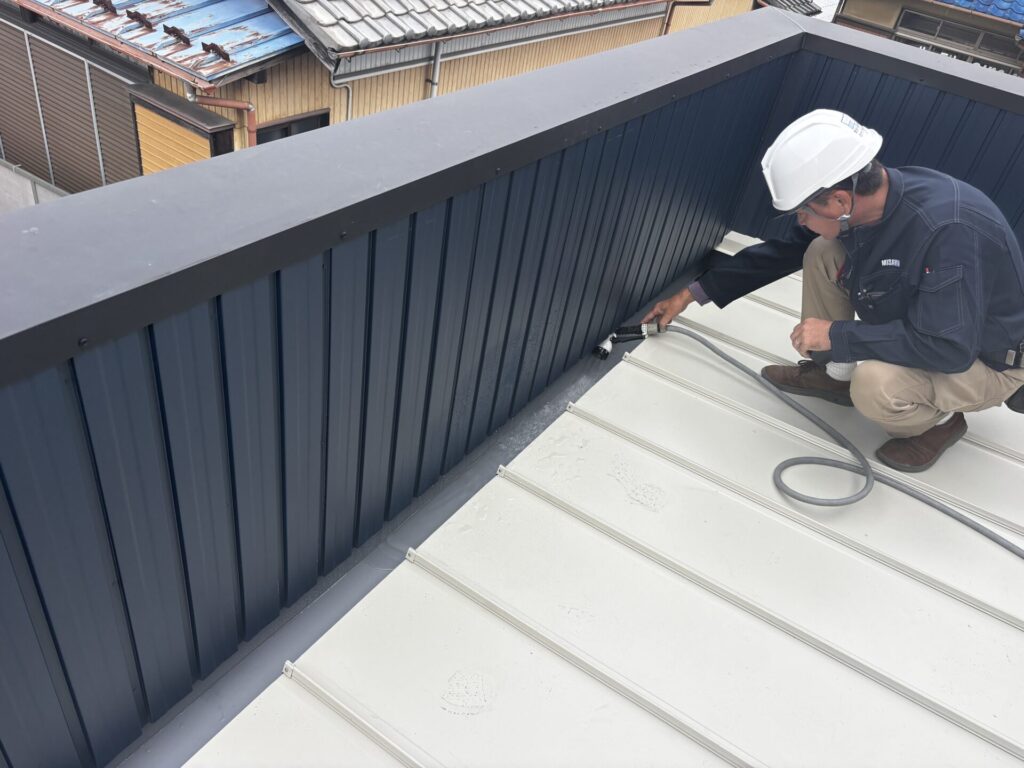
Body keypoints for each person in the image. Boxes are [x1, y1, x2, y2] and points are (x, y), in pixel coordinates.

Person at [643, 109, 1024, 472]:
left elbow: (948, 347)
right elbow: (784, 252)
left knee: (874, 383)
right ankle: (834, 376)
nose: (800, 220)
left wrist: (836, 336)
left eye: (803, 211)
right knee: (822, 250)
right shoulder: (876, 201)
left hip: (984, 360)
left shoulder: (948, 233)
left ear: (841, 200)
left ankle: (938, 425)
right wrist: (690, 294)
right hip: (930, 322)